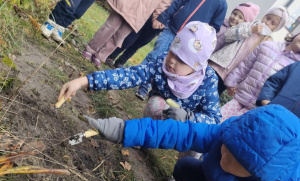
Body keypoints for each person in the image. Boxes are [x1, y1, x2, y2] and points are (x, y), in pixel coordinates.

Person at [72, 104, 300, 181]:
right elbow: (182, 133)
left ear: (261, 172)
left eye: (235, 160)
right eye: (226, 147)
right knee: (186, 165)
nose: (223, 155)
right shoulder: (228, 134)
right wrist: (124, 130)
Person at [59, 21, 221, 125]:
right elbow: (128, 76)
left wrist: (189, 118)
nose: (172, 60)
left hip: (188, 124)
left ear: (196, 66)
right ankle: (145, 134)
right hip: (162, 113)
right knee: (155, 104)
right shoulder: (162, 64)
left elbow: (214, 119)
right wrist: (82, 81)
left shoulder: (207, 80)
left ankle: (181, 175)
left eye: (181, 60)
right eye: (173, 52)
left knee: (199, 143)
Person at [135, 0, 228, 100]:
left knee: (171, 66)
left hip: (188, 43)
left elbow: (214, 28)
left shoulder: (222, 4)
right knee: (155, 55)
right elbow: (177, 3)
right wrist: (163, 17)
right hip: (172, 30)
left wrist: (199, 32)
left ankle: (147, 88)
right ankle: (136, 76)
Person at [209, 6, 289, 95]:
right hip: (216, 64)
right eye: (268, 18)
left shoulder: (268, 42)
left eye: (272, 23)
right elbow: (228, 35)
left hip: (228, 77)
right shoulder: (247, 25)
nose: (267, 22)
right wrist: (250, 30)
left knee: (209, 98)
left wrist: (237, 83)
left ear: (276, 29)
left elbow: (253, 65)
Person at [220, 33, 300, 122]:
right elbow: (245, 65)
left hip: (258, 108)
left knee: (233, 130)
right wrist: (231, 82)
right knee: (217, 121)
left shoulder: (296, 67)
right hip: (241, 96)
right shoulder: (268, 45)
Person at [82, 0, 170, 68]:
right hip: (127, 4)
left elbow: (164, 3)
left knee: (120, 36)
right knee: (110, 26)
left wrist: (157, 17)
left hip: (141, 13)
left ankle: (100, 56)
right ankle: (90, 49)